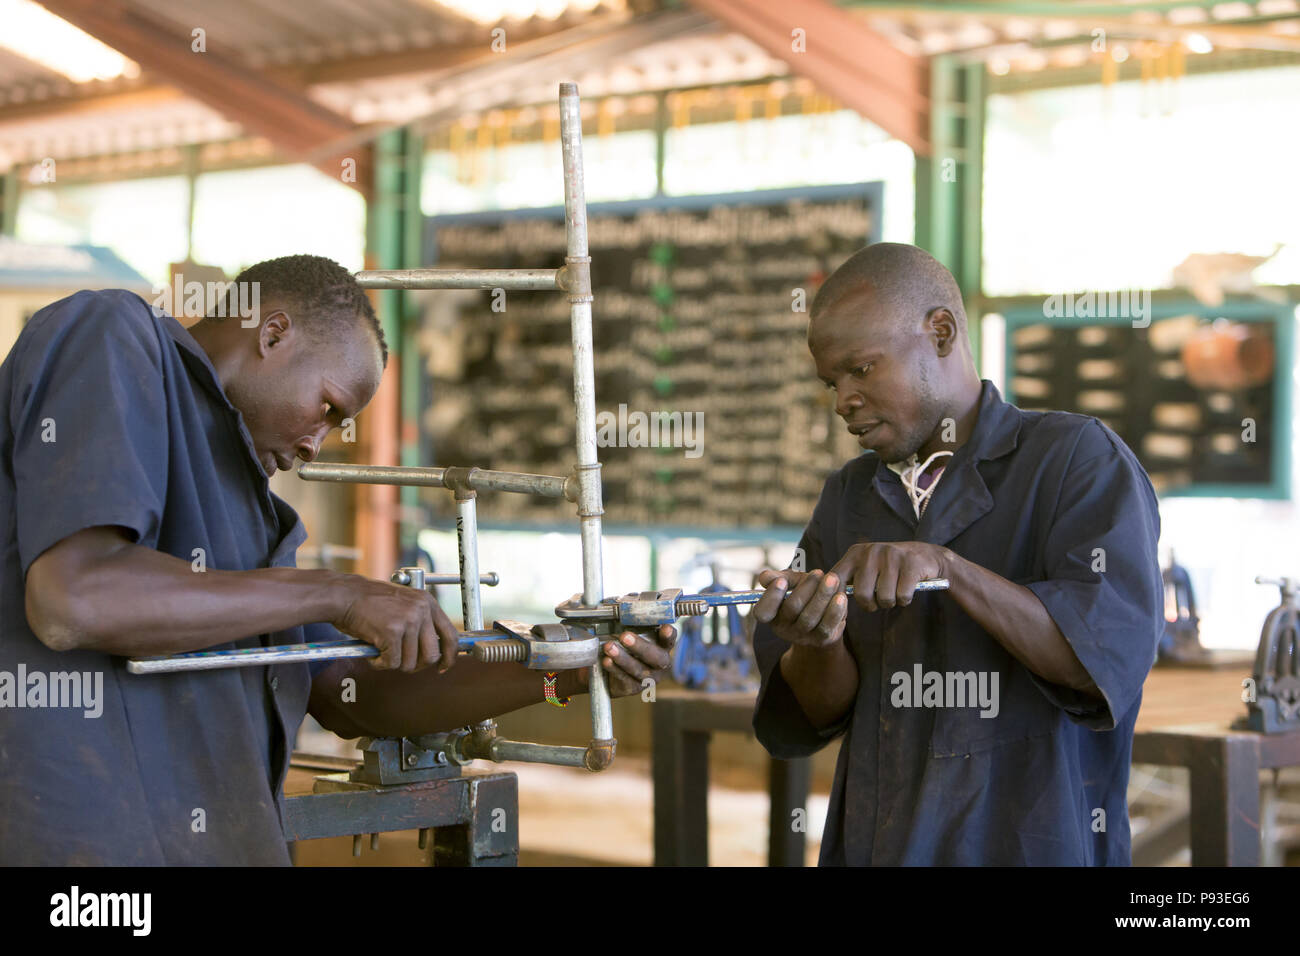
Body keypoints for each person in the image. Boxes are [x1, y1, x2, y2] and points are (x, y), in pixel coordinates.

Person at [0, 254, 674, 865]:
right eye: (327, 407)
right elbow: (75, 599)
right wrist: (339, 593)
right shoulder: (114, 334)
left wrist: (568, 670)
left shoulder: (259, 522)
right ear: (272, 333)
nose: (317, 445)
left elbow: (358, 696)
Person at [750, 243, 1162, 865]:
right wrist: (819, 640)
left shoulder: (1075, 460)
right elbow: (813, 712)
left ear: (940, 332)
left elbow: (1097, 661)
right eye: (831, 382)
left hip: (1030, 843)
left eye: (861, 369)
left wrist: (948, 568)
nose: (842, 401)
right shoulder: (850, 496)